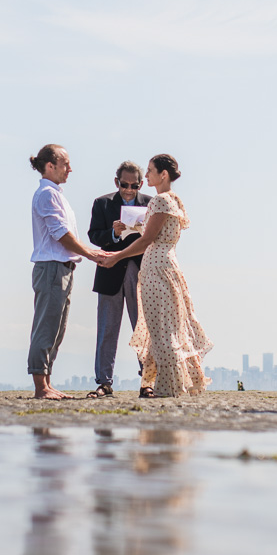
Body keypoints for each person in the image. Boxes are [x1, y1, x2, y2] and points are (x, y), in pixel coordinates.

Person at [103, 154, 212, 397]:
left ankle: (169, 385)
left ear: (163, 174)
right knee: (165, 326)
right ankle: (154, 383)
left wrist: (116, 256)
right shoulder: (173, 200)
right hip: (166, 264)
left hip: (156, 268)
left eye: (151, 170)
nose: (147, 175)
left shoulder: (160, 201)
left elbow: (147, 240)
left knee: (160, 329)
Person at [27, 145, 110, 400]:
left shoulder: (55, 194)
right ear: (50, 165)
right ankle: (41, 387)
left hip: (62, 268)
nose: (70, 168)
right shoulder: (46, 195)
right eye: (65, 164)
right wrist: (91, 253)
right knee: (46, 326)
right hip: (52, 267)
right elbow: (60, 234)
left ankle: (47, 383)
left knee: (57, 328)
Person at [85, 161, 152, 397]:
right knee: (107, 329)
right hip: (110, 271)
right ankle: (104, 382)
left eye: (134, 185)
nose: (129, 190)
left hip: (141, 272)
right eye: (124, 185)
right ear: (117, 182)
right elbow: (93, 235)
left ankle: (148, 382)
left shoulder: (151, 204)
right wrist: (113, 233)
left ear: (141, 184)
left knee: (143, 329)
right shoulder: (102, 203)